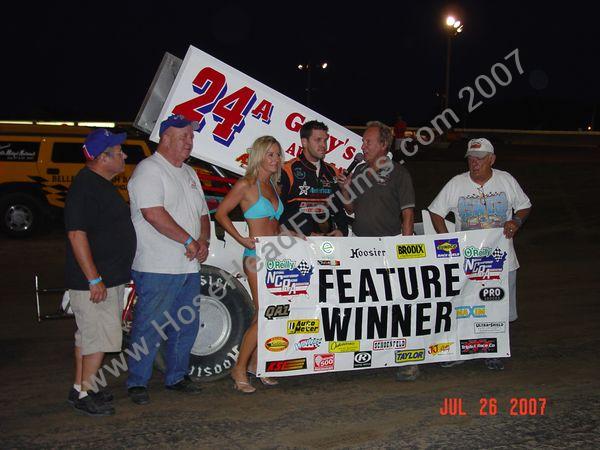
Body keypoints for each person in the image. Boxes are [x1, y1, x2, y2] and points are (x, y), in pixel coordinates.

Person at [126, 114, 210, 404]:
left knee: (186, 324)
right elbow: (153, 213)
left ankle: (177, 376)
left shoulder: (189, 173)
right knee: (149, 325)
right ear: (165, 138)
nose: (190, 141)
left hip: (188, 266)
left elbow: (203, 213)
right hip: (157, 266)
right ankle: (137, 381)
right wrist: (188, 240)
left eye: (191, 136)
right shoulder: (149, 170)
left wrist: (204, 241)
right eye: (184, 136)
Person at [428, 137, 532, 370]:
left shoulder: (506, 180)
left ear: (492, 159)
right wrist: (448, 239)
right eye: (471, 159)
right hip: (468, 262)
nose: (475, 163)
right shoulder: (457, 183)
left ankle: (493, 350)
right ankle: (460, 349)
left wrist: (515, 221)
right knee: (464, 306)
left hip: (501, 261)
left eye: (480, 159)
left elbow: (525, 205)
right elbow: (436, 212)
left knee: (497, 306)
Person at [338, 121, 419, 381]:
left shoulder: (398, 173)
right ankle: (368, 354)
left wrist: (405, 250)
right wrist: (345, 190)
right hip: (360, 247)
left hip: (389, 246)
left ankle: (408, 358)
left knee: (397, 304)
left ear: (384, 145)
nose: (362, 146)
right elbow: (351, 210)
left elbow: (408, 214)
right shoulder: (360, 170)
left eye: (368, 142)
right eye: (363, 142)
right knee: (365, 303)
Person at [64, 128, 136, 416]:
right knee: (98, 338)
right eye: (119, 152)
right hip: (95, 282)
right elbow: (76, 235)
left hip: (107, 277)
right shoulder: (85, 187)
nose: (124, 155)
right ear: (102, 158)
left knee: (87, 338)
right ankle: (83, 394)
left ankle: (84, 386)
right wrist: (94, 278)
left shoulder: (98, 183)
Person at [215, 136, 285, 394]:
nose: (275, 160)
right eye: (270, 154)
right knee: (265, 313)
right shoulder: (246, 185)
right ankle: (239, 368)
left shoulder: (271, 186)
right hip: (255, 257)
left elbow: (274, 224)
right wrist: (241, 237)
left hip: (276, 254)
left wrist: (288, 234)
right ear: (258, 156)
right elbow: (221, 214)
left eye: (278, 155)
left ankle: (257, 365)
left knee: (267, 314)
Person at [279, 120, 349, 237]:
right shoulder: (287, 170)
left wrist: (342, 230)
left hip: (327, 244)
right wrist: (291, 233)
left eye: (325, 140)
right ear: (304, 142)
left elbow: (338, 207)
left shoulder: (332, 171)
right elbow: (277, 212)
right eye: (318, 140)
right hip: (297, 243)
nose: (323, 145)